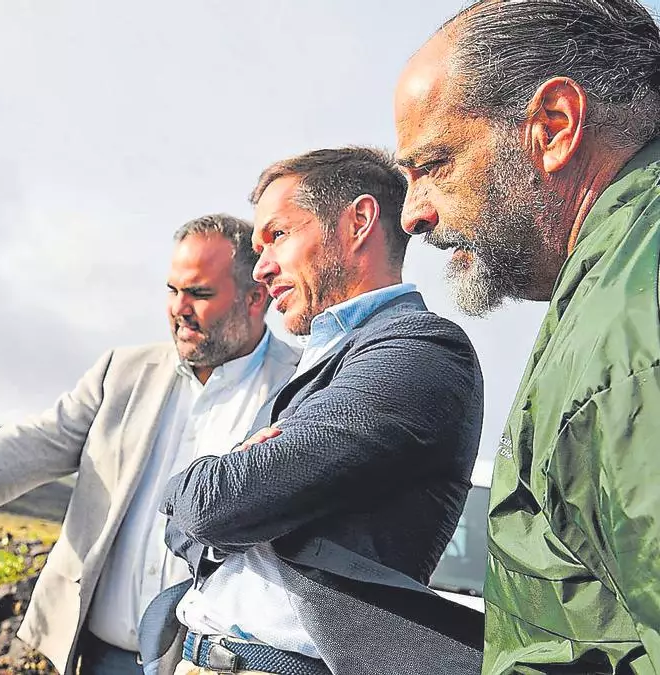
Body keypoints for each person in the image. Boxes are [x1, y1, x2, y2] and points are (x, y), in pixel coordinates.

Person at [0, 214, 301, 675]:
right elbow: (32, 444)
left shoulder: (303, 385)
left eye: (199, 293)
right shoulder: (123, 372)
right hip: (101, 657)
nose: (179, 309)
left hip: (221, 664)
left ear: (255, 298)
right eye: (172, 290)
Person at [142, 147, 485, 675]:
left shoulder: (421, 351)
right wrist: (228, 497)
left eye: (277, 235)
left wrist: (214, 488)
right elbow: (186, 527)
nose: (261, 269)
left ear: (359, 221)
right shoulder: (320, 363)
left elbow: (210, 506)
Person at [394, 1, 660, 672]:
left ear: (554, 127)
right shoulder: (614, 286)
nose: (412, 215)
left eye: (434, 163)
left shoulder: (630, 326)